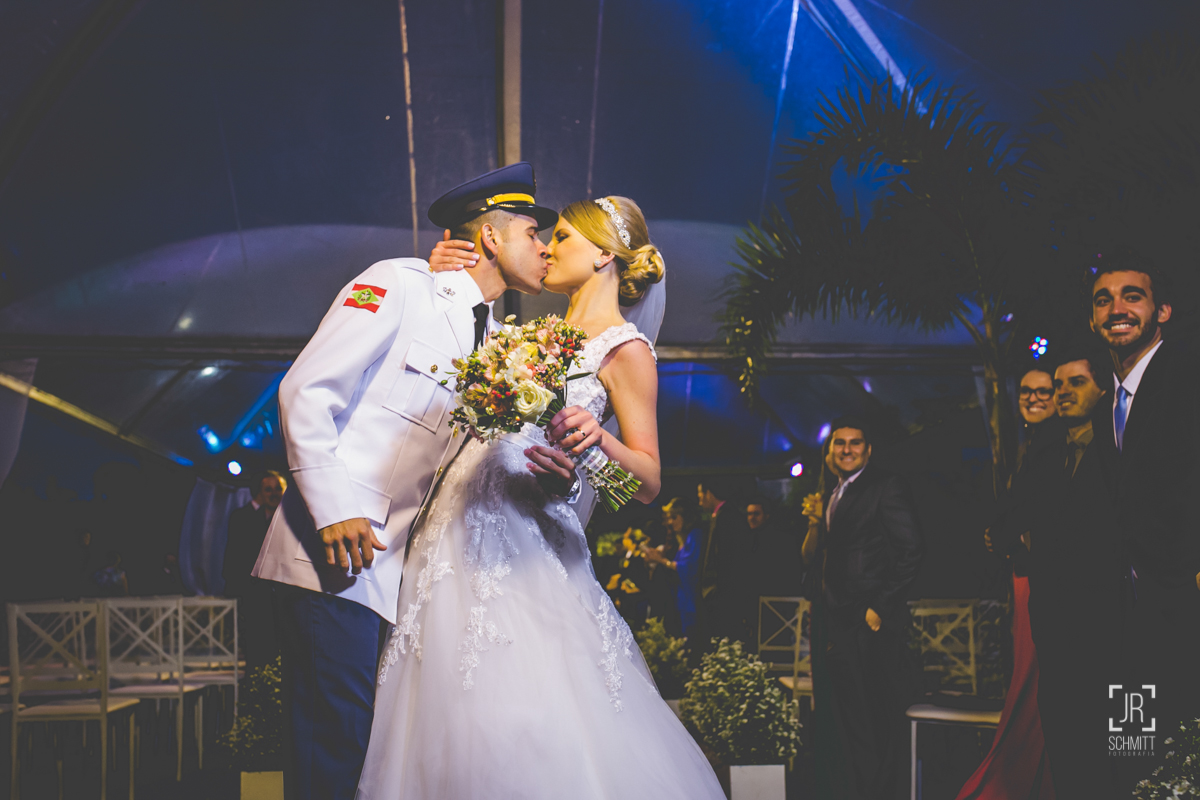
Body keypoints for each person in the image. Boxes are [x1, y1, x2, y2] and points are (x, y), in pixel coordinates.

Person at [356, 194, 724, 799]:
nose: (548, 249)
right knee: (438, 711)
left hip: (526, 548)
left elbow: (648, 482)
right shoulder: (522, 334)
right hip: (451, 534)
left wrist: (595, 442)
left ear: (603, 256)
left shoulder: (625, 350)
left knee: (520, 712)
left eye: (564, 238)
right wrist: (446, 275)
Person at [252, 163, 557, 800]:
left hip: (396, 576)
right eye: (534, 234)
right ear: (491, 237)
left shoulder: (493, 340)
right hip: (334, 554)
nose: (546, 249)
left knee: (364, 751)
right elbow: (305, 392)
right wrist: (334, 508)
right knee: (333, 745)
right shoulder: (398, 284)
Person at [1085, 252, 1200, 787]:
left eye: (1132, 296)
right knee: (1133, 749)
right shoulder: (1106, 406)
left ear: (1163, 311)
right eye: (1103, 300)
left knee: (1185, 754)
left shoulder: (1189, 376)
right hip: (1125, 616)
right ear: (1093, 319)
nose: (1117, 309)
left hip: (1183, 604)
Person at [801, 418, 923, 800]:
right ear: (830, 452)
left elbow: (911, 551)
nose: (847, 449)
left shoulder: (885, 486)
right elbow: (817, 557)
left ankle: (880, 793)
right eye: (840, 443)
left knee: (872, 720)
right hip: (833, 620)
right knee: (844, 720)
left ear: (868, 450)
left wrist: (879, 608)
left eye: (856, 443)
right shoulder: (834, 493)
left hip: (865, 624)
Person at [957, 367, 1059, 800]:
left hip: (1041, 577)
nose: (1033, 399)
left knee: (1038, 678)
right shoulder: (1032, 444)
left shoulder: (1056, 444)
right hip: (1024, 576)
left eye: (1044, 391)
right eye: (1027, 392)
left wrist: (1005, 535)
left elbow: (1044, 511)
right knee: (1027, 677)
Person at [225, 471, 287, 666]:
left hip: (282, 593)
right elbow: (237, 557)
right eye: (268, 489)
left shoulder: (289, 518)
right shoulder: (246, 517)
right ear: (259, 493)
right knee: (256, 645)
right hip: (254, 592)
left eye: (278, 489)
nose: (274, 494)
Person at [642, 496, 704, 637]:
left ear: (686, 516)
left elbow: (689, 568)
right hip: (681, 601)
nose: (670, 522)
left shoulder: (695, 536)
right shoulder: (683, 539)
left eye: (674, 517)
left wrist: (661, 560)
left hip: (691, 601)